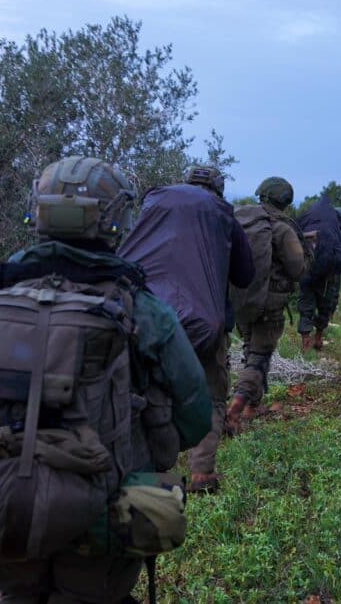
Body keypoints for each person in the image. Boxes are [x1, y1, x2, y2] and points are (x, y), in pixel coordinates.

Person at [0, 156, 211, 603]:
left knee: (17, 593)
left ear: (39, 213)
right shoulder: (141, 308)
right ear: (116, 220)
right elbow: (195, 415)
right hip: (103, 507)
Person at [118, 165, 253, 494]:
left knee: (142, 391)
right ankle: (201, 474)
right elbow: (245, 274)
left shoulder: (154, 205)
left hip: (145, 316)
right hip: (204, 323)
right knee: (212, 395)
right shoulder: (222, 214)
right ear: (219, 189)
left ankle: (142, 471)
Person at [226, 177, 307, 425]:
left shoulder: (240, 219)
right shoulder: (283, 228)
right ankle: (236, 407)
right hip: (269, 302)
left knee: (250, 347)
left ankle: (253, 405)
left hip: (238, 297)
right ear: (285, 200)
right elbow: (297, 269)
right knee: (259, 355)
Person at [296, 197, 341, 351]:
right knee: (326, 305)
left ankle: (305, 339)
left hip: (308, 272)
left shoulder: (311, 226)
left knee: (306, 304)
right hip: (330, 275)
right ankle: (319, 336)